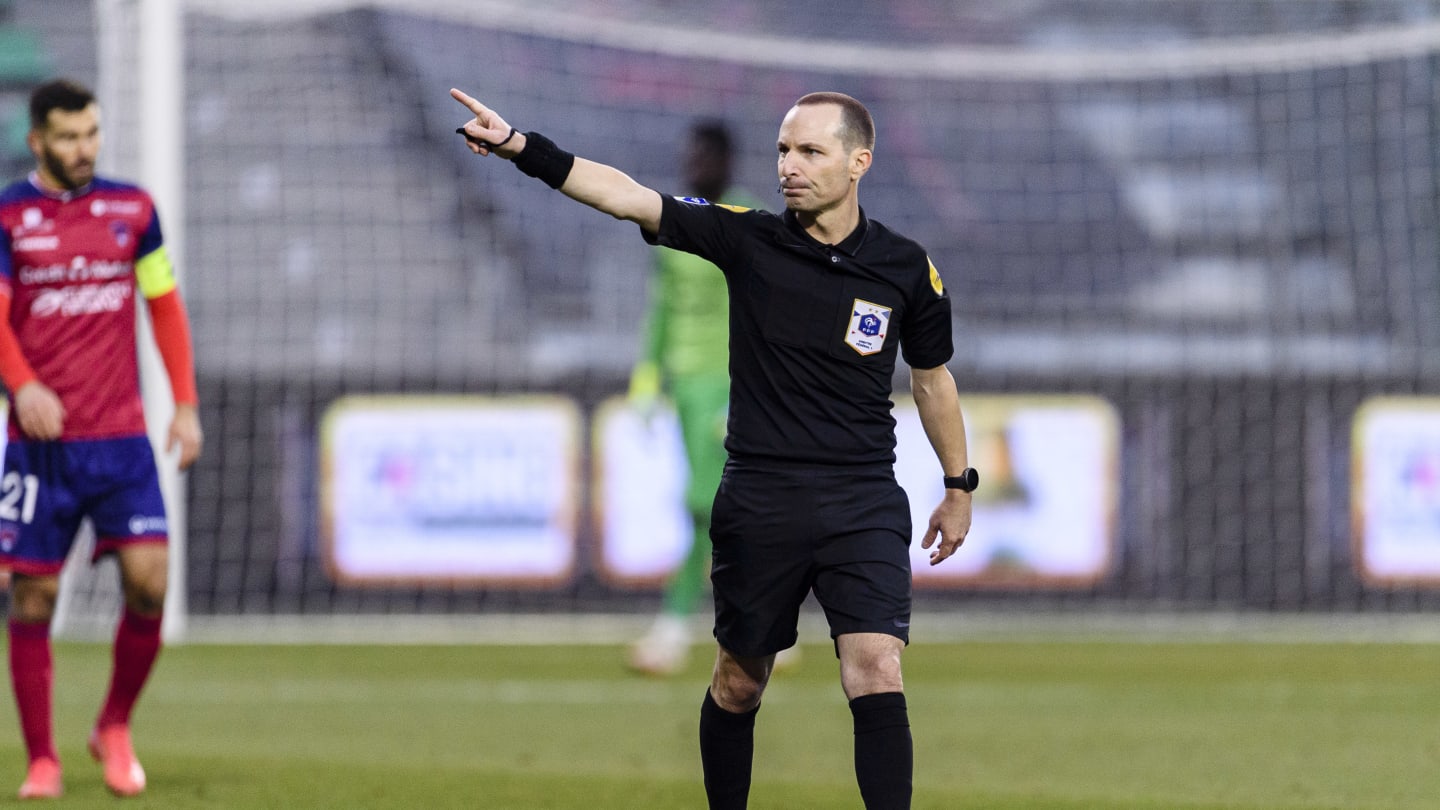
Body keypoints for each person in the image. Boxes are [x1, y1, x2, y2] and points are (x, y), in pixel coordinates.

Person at [452, 87, 975, 810]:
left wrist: (959, 483)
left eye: (811, 151)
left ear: (860, 161)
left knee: (877, 669)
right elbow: (627, 197)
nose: (789, 166)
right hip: (761, 497)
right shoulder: (746, 238)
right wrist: (519, 146)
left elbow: (931, 384)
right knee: (739, 680)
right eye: (784, 150)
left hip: (862, 498)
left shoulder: (906, 268)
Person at [0, 79, 203, 799]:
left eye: (91, 133)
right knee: (33, 599)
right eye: (68, 137)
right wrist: (23, 384)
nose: (84, 149)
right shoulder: (8, 216)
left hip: (121, 441)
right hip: (40, 448)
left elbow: (165, 305)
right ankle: (42, 759)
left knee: (150, 584)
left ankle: (113, 726)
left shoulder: (133, 209)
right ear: (37, 141)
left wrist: (184, 404)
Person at [626, 120, 799, 677]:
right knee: (727, 507)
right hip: (687, 387)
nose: (693, 165)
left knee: (705, 504)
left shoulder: (751, 222)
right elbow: (663, 306)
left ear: (726, 161)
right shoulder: (674, 221)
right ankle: (772, 616)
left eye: (703, 156)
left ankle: (677, 627)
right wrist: (648, 376)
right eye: (689, 154)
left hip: (735, 382)